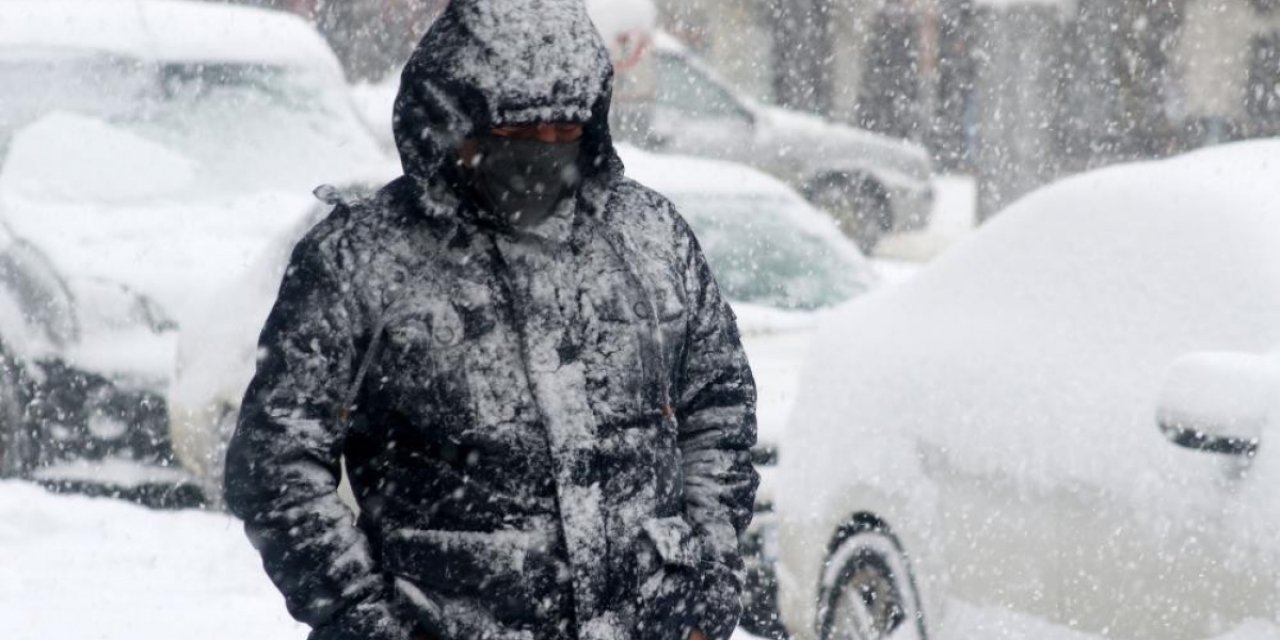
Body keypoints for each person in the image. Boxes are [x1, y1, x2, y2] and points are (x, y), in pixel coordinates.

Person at [222, 1, 758, 640]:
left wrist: (707, 582)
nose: (547, 155)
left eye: (568, 133)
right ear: (452, 123)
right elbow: (277, 464)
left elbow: (718, 408)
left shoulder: (650, 239)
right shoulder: (362, 262)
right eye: (520, 139)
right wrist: (368, 621)